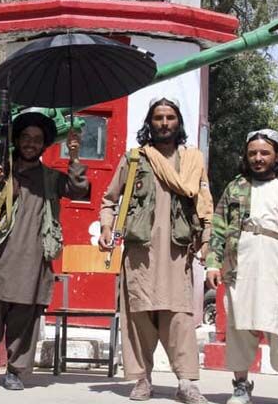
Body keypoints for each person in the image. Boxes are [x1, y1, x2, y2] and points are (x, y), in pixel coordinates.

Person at [0, 110, 89, 390]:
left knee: (25, 317)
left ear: (44, 145)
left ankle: (15, 370)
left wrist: (75, 156)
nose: (30, 144)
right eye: (25, 138)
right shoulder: (2, 172)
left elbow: (78, 190)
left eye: (37, 139)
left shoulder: (51, 178)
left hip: (35, 259)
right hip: (1, 257)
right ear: (17, 141)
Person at [98, 97, 213, 403]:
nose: (164, 123)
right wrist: (106, 227)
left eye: (170, 117)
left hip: (177, 252)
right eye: (159, 117)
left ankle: (187, 382)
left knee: (180, 317)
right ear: (150, 123)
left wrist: (207, 241)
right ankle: (141, 379)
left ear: (179, 123)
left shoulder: (192, 160)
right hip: (140, 253)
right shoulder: (135, 158)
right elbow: (109, 200)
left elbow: (204, 204)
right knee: (138, 316)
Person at [205, 129, 278, 404]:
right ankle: (241, 385)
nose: (258, 158)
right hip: (241, 265)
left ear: (276, 155)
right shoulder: (235, 187)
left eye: (264, 153)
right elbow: (219, 228)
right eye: (253, 153)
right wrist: (213, 263)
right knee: (239, 327)